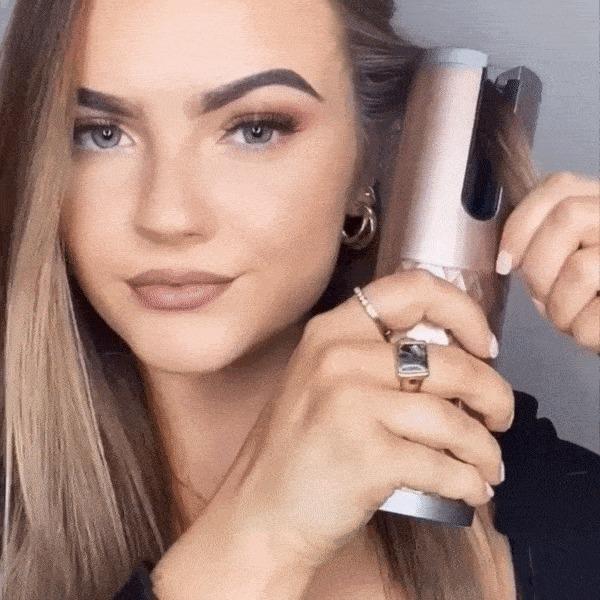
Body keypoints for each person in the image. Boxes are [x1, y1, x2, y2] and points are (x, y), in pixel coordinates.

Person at [0, 1, 598, 599]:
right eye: (100, 134)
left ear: (366, 160)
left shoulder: (561, 515)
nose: (168, 216)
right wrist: (258, 540)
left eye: (255, 129)